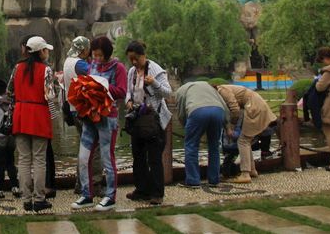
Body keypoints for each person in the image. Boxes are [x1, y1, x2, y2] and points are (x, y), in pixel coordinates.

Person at [71, 36, 127, 212]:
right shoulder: (93, 65)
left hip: (107, 117)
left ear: (107, 53)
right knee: (83, 157)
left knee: (107, 158)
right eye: (94, 55)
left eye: (100, 55)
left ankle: (110, 196)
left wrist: (103, 86)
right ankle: (87, 194)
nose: (96, 58)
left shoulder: (118, 68)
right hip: (90, 115)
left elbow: (122, 91)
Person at [8, 35, 57, 213]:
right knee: (39, 160)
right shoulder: (46, 70)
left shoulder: (17, 68)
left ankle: (26, 199)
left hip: (20, 114)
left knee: (23, 159)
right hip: (38, 115)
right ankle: (39, 198)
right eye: (45, 50)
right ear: (40, 51)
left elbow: (9, 91)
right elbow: (50, 95)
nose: (47, 53)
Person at [123, 40, 171, 205]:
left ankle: (157, 193)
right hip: (137, 119)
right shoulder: (132, 72)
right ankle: (141, 189)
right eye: (131, 59)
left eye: (137, 58)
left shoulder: (156, 70)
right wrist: (128, 101)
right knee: (138, 156)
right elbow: (128, 91)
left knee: (154, 158)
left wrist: (154, 83)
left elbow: (167, 92)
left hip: (153, 121)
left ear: (144, 55)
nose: (134, 62)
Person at [61, 36, 102, 194]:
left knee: (84, 148)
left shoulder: (67, 61)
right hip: (84, 110)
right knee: (94, 148)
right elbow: (97, 73)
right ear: (84, 49)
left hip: (73, 109)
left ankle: (80, 184)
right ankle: (95, 184)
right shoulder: (80, 64)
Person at [214, 83, 276, 183]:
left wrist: (232, 127)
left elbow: (234, 109)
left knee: (243, 141)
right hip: (255, 105)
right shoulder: (222, 89)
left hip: (253, 107)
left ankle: (245, 174)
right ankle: (252, 170)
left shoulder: (222, 90)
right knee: (246, 141)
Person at [175, 81, 230, 188]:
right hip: (218, 111)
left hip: (197, 111)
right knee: (214, 146)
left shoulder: (181, 91)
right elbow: (224, 105)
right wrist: (227, 125)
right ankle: (214, 180)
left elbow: (181, 111)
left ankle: (193, 181)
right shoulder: (209, 87)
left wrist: (185, 125)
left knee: (191, 146)